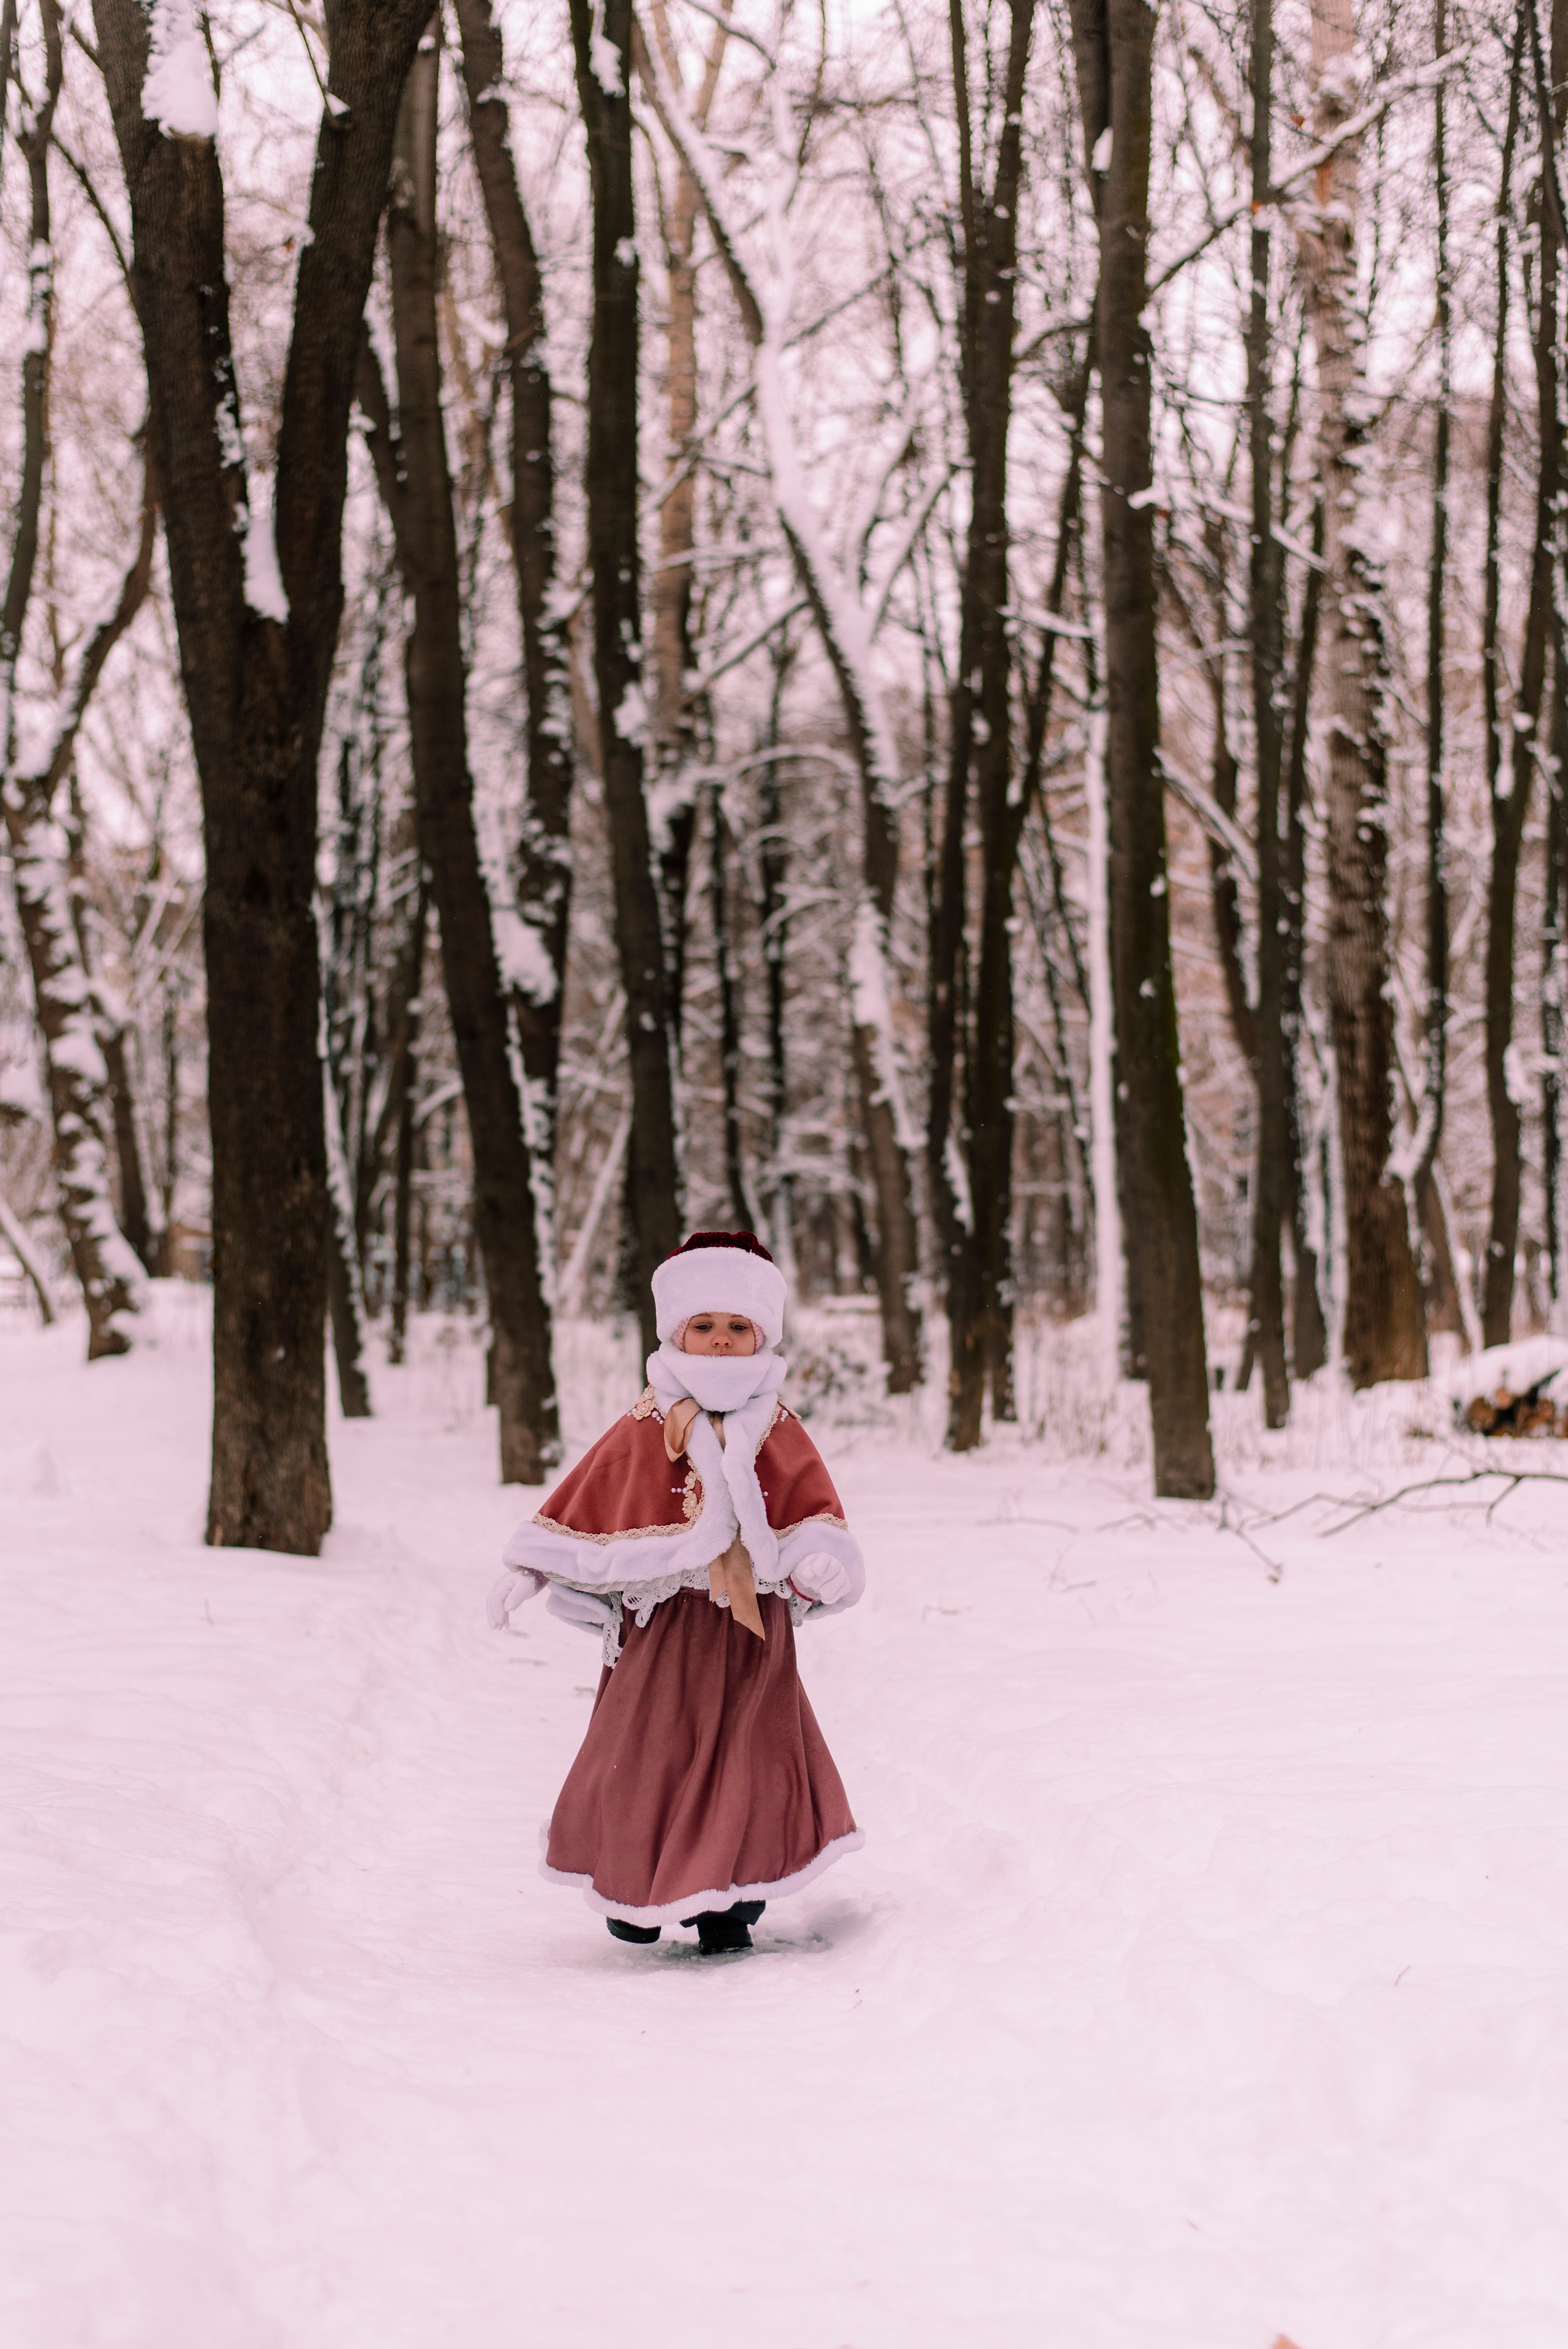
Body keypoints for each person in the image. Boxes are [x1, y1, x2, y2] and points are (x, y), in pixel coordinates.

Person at [489, 1230, 864, 1954]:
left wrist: (819, 1557)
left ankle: (730, 1896)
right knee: (642, 1750)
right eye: (704, 1326)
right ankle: (633, 1879)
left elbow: (812, 1506)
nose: (720, 1343)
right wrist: (530, 1566)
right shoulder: (648, 1423)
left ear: (761, 1335)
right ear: (675, 1331)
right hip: (662, 1624)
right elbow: (588, 1498)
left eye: (736, 1328)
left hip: (751, 1628)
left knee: (750, 1755)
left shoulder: (775, 1425)